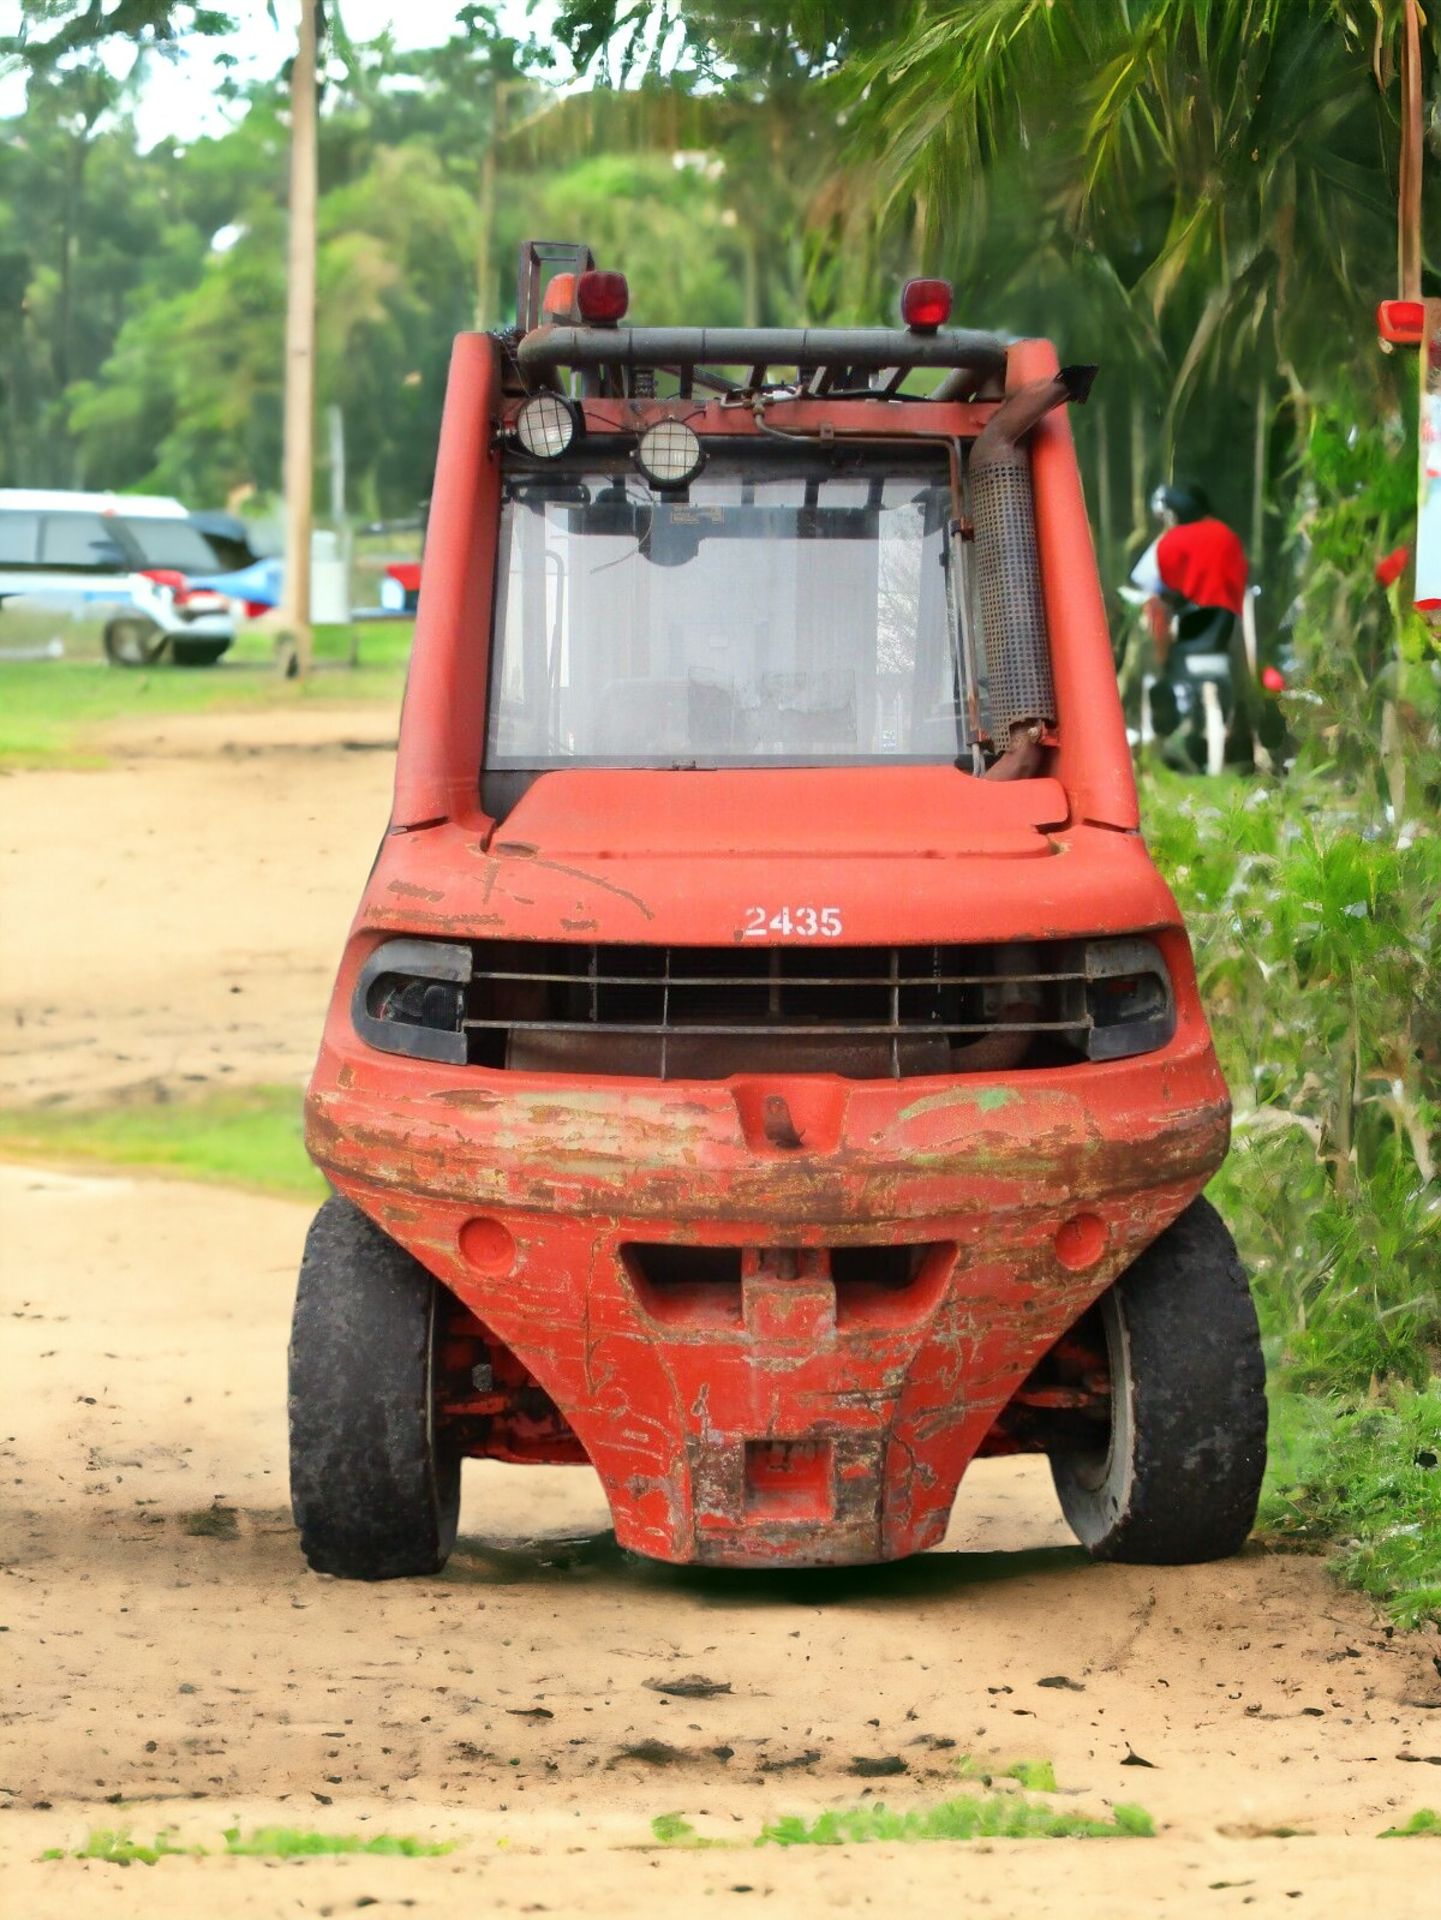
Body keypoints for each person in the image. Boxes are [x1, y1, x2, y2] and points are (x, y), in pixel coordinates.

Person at [1130, 483, 1252, 770]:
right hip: (1225, 627)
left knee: (1162, 669)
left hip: (1190, 626)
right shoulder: (1227, 536)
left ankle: (1164, 732)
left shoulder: (1171, 541)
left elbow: (1151, 583)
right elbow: (1241, 579)